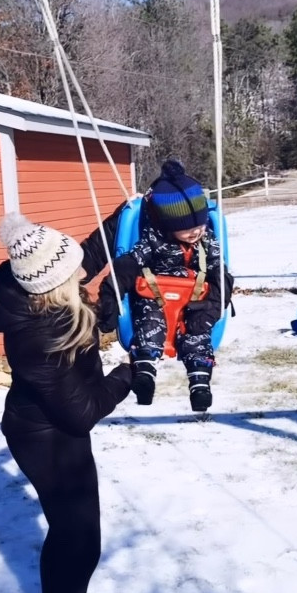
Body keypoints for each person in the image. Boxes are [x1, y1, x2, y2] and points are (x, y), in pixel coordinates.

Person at [0, 209, 149, 593]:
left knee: (73, 538)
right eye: (75, 276)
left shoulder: (32, 284)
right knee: (78, 542)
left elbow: (85, 255)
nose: (84, 278)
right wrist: (131, 374)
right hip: (48, 436)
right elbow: (81, 412)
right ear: (54, 289)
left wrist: (126, 219)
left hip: (54, 430)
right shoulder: (41, 336)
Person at [105, 158, 232, 416]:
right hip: (156, 294)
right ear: (168, 225)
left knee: (197, 332)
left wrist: (212, 307)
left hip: (195, 297)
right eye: (186, 229)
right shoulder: (153, 239)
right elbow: (128, 265)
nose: (195, 232)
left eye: (199, 225)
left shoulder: (206, 239)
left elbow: (221, 272)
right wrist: (111, 295)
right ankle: (145, 374)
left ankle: (199, 384)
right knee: (150, 322)